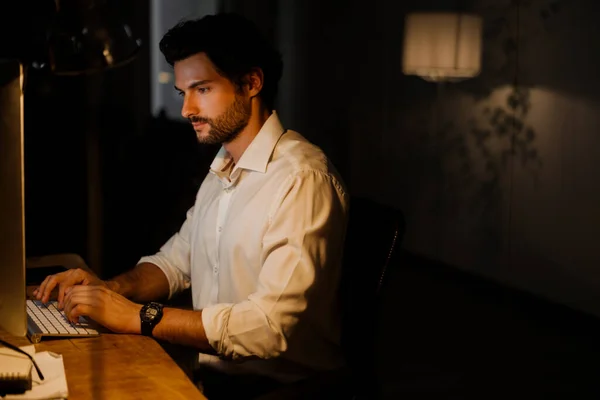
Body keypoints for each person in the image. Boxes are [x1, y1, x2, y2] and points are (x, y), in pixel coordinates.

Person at [33, 12, 349, 399]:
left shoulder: (301, 178)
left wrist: (138, 316)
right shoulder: (223, 168)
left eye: (202, 89)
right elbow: (174, 263)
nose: (186, 110)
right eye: (184, 93)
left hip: (283, 390)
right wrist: (109, 290)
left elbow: (269, 328)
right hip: (215, 378)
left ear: (251, 83)